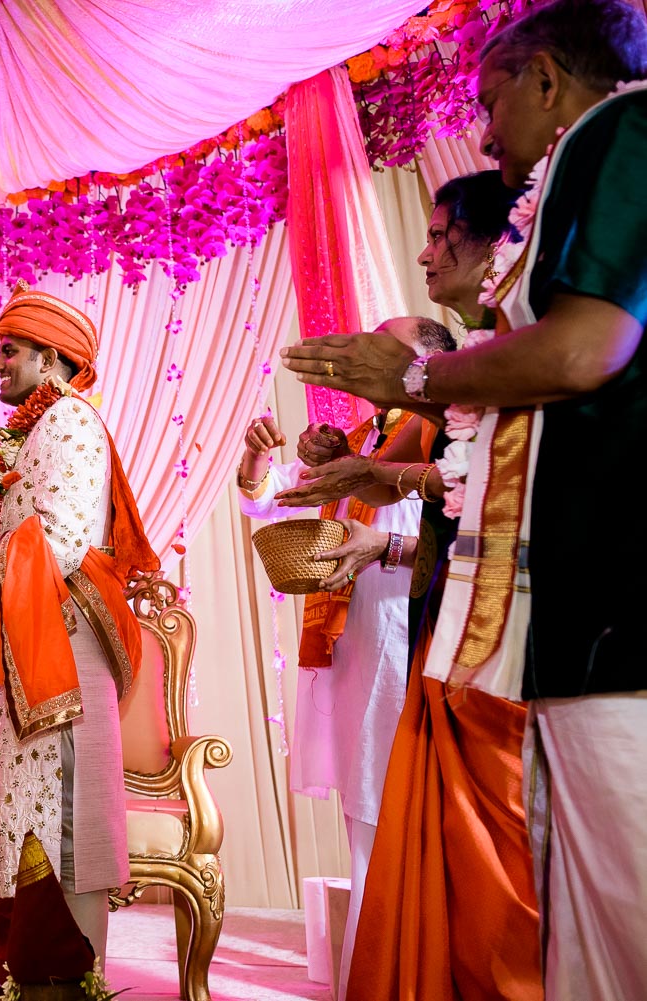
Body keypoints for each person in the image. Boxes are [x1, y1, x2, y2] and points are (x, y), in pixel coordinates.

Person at [284, 3, 647, 991]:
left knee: (620, 921)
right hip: (575, 623)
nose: (483, 134)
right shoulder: (583, 160)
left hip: (615, 612)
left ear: (545, 81)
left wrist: (408, 381)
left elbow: (583, 351)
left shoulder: (624, 127)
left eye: (490, 101)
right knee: (584, 931)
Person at [234, 315, 451, 1001]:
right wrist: (257, 461)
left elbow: (470, 544)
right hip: (357, 646)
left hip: (407, 639)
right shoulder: (362, 439)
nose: (362, 357)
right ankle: (376, 974)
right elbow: (270, 508)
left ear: (424, 363)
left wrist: (382, 547)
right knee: (367, 828)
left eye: (381, 347)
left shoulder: (451, 435)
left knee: (393, 824)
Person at [0, 287, 159, 985]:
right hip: (35, 650)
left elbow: (63, 544)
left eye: (11, 349)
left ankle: (67, 985)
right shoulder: (40, 428)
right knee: (33, 817)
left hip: (60, 659)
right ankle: (38, 981)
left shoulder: (69, 421)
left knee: (62, 825)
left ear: (50, 357)